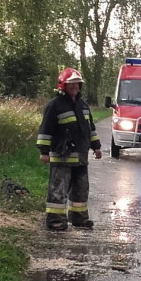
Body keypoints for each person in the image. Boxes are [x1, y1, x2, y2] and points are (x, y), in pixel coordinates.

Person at [36, 68, 102, 230]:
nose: (75, 87)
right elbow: (46, 130)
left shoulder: (83, 105)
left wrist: (96, 147)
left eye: (77, 84)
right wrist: (44, 152)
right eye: (71, 84)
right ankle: (56, 221)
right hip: (62, 157)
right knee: (58, 191)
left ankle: (79, 218)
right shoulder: (55, 105)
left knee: (81, 191)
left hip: (80, 157)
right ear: (63, 86)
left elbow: (90, 130)